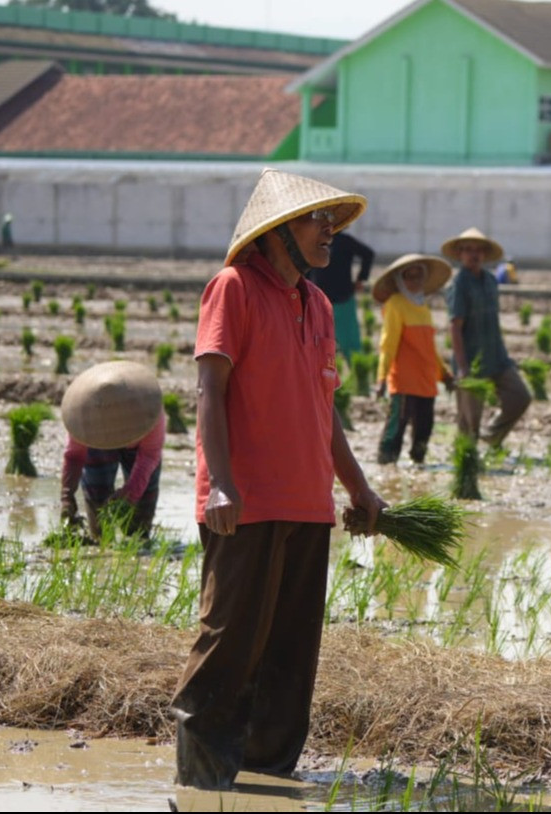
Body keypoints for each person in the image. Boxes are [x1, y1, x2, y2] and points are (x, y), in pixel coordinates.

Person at [171, 168, 385, 790]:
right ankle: (201, 783)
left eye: (331, 223)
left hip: (308, 504)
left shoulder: (317, 304)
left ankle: (266, 779)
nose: (329, 233)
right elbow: (210, 388)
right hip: (246, 501)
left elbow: (326, 410)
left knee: (291, 655)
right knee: (229, 643)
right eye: (317, 221)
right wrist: (220, 484)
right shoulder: (232, 288)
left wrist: (358, 488)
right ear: (275, 233)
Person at [58, 360, 164, 542]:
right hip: (96, 444)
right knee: (97, 498)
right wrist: (67, 497)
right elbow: (74, 456)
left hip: (139, 447)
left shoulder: (149, 414)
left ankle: (139, 538)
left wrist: (129, 494)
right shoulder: (84, 418)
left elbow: (149, 457)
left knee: (143, 502)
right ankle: (101, 540)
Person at [444, 227, 530, 448]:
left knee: (520, 397)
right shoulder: (458, 284)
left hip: (497, 357)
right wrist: (463, 367)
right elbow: (455, 326)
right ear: (460, 254)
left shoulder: (491, 281)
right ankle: (467, 464)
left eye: (478, 250)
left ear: (484, 254)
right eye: (468, 250)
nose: (474, 254)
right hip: (470, 361)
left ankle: (491, 437)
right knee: (469, 420)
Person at [372, 253, 454, 465]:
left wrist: (443, 373)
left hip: (426, 379)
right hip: (404, 380)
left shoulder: (422, 306)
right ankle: (386, 466)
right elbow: (388, 343)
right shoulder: (396, 304)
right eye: (410, 276)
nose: (415, 281)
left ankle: (418, 465)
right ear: (400, 280)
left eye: (419, 276)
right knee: (396, 427)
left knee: (424, 429)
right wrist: (381, 377)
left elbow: (429, 348)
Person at [306, 231, 376, 364]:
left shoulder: (344, 241)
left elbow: (368, 254)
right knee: (317, 345)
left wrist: (361, 279)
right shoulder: (311, 240)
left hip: (342, 300)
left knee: (351, 345)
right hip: (317, 302)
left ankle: (359, 379)